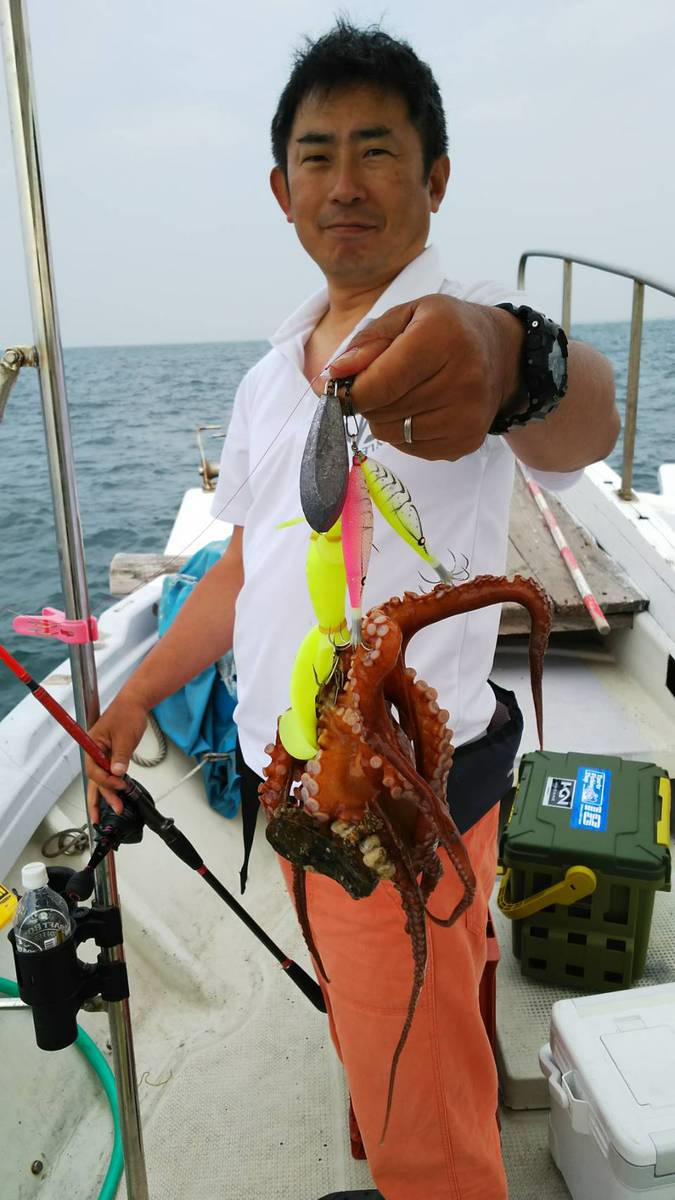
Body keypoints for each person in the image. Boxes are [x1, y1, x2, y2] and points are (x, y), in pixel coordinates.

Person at [85, 21, 619, 1200]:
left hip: (408, 797)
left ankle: (423, 1154)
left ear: (435, 176)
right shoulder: (266, 376)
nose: (345, 182)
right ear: (282, 192)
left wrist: (513, 356)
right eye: (317, 155)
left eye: (377, 149)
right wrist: (134, 691)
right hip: (291, 777)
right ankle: (403, 1102)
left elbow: (588, 418)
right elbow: (239, 569)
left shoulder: (466, 323)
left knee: (423, 1101)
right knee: (397, 1012)